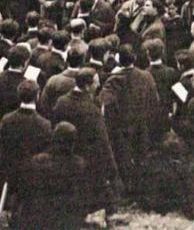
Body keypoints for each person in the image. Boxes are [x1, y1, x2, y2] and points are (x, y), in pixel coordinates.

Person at [51, 68, 120, 215]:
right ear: (87, 86)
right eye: (96, 83)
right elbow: (103, 141)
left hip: (62, 157)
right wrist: (112, 170)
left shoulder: (61, 102)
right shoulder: (92, 109)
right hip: (86, 161)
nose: (98, 86)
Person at [99, 45, 160, 189]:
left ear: (119, 60)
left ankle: (128, 187)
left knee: (124, 158)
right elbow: (155, 100)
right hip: (142, 123)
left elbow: (105, 105)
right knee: (141, 156)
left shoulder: (113, 80)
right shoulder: (146, 76)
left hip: (122, 128)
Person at [15, 122, 89, 230]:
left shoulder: (38, 161)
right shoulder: (79, 165)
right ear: (73, 142)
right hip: (67, 221)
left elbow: (24, 192)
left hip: (40, 220)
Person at [0, 81, 51, 209]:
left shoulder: (7, 119)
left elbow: (2, 146)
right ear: (37, 96)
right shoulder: (45, 124)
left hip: (11, 170)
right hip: (33, 175)